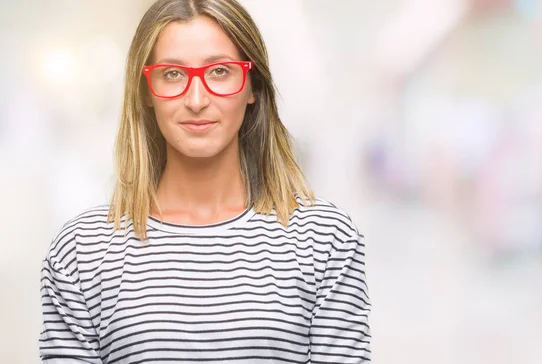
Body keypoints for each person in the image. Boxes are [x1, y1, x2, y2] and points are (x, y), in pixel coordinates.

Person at [38, 0, 371, 362]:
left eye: (220, 72)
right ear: (146, 90)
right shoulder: (80, 252)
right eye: (173, 74)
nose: (197, 100)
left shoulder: (325, 239)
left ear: (252, 86)